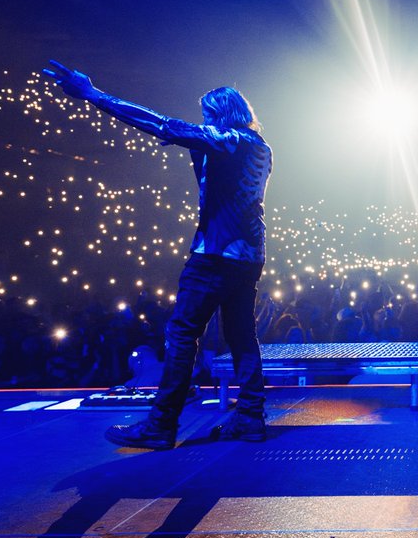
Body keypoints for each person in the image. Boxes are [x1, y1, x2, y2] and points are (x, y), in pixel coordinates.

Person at [42, 61, 272, 449]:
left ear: (221, 115)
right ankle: (250, 417)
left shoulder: (232, 140)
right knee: (241, 336)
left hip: (214, 256)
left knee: (182, 334)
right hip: (247, 257)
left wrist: (94, 95)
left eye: (208, 115)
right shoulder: (260, 147)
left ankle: (161, 425)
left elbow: (163, 125)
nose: (204, 122)